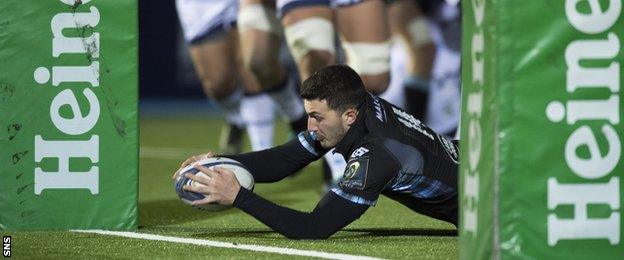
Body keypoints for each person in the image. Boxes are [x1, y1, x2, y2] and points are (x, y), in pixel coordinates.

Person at [175, 65, 459, 239]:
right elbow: (285, 160)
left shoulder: (378, 154)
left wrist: (238, 196)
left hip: (490, 202)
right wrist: (221, 163)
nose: (310, 127)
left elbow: (314, 227)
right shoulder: (358, 106)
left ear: (348, 116)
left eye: (317, 117)